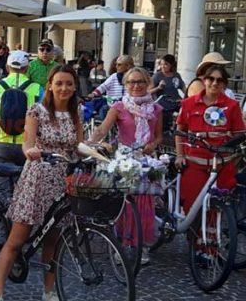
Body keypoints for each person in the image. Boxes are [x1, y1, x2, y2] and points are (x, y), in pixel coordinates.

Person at [0, 65, 83, 301]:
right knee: (17, 239)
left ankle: (49, 290)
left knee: (53, 238)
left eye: (69, 84)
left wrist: (96, 150)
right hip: (38, 177)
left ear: (75, 87)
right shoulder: (37, 111)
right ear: (50, 85)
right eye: (59, 83)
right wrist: (31, 151)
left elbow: (78, 146)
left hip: (62, 180)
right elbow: (27, 143)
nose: (64, 88)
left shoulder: (77, 112)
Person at [89, 67, 163, 265]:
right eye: (131, 82)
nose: (136, 85)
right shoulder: (119, 107)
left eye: (140, 81)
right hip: (124, 160)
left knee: (144, 205)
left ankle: (142, 245)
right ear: (125, 85)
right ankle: (121, 244)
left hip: (146, 161)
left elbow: (158, 136)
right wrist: (89, 144)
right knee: (123, 205)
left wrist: (152, 145)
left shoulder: (156, 109)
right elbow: (103, 129)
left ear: (148, 83)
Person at [176, 64, 246, 216]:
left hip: (222, 165)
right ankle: (193, 238)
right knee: (191, 206)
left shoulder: (232, 106)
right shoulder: (188, 103)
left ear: (224, 84)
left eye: (220, 80)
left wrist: (232, 157)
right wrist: (180, 155)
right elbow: (180, 130)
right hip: (195, 163)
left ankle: (212, 237)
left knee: (217, 207)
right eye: (211, 79)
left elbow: (240, 135)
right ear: (204, 80)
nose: (215, 83)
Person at [0, 51, 44, 180]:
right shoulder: (37, 89)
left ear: (7, 67)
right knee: (25, 186)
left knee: (0, 187)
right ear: (27, 68)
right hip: (28, 145)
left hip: (2, 142)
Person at [150, 54, 186, 132]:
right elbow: (148, 91)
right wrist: (158, 88)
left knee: (186, 114)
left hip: (176, 102)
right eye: (161, 64)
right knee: (164, 126)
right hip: (163, 105)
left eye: (166, 64)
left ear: (171, 65)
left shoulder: (176, 75)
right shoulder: (157, 76)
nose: (163, 66)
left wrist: (188, 98)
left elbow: (183, 88)